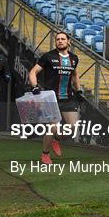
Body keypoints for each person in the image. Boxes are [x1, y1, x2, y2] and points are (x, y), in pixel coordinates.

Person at [29, 32, 82, 164]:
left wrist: (79, 89)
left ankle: (55, 139)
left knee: (73, 128)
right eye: (58, 39)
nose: (60, 41)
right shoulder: (48, 56)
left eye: (63, 39)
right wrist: (34, 86)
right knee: (52, 128)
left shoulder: (74, 58)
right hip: (51, 98)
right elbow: (33, 72)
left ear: (69, 42)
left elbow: (75, 75)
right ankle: (45, 154)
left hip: (68, 98)